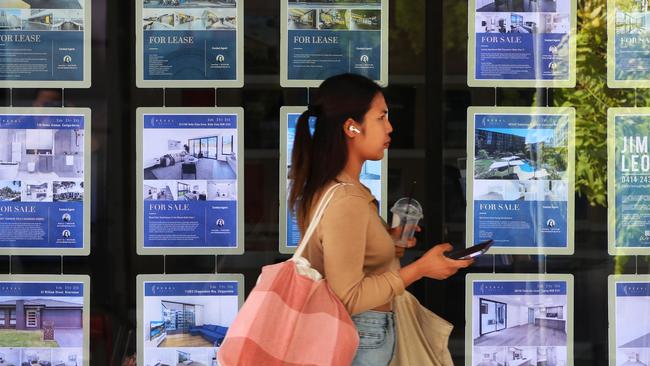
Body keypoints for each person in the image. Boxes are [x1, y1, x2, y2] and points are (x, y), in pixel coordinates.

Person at [289, 73, 473, 366]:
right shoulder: (346, 198)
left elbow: (345, 260)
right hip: (363, 335)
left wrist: (384, 243)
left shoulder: (335, 188)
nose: (390, 127)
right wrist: (421, 269)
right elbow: (348, 296)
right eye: (381, 117)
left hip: (363, 334)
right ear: (351, 126)